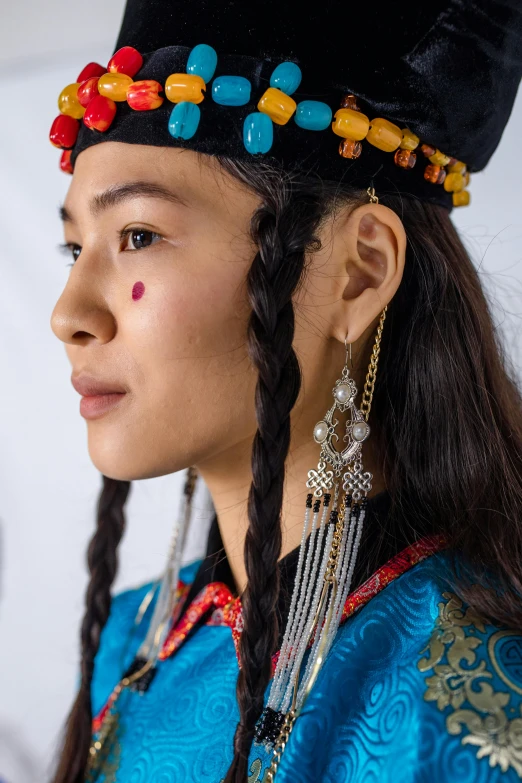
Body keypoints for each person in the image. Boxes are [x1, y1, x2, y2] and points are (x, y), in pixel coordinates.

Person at [47, 0, 522, 781]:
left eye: (138, 235)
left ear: (357, 272)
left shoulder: (467, 702)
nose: (70, 314)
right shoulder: (131, 647)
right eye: (74, 248)